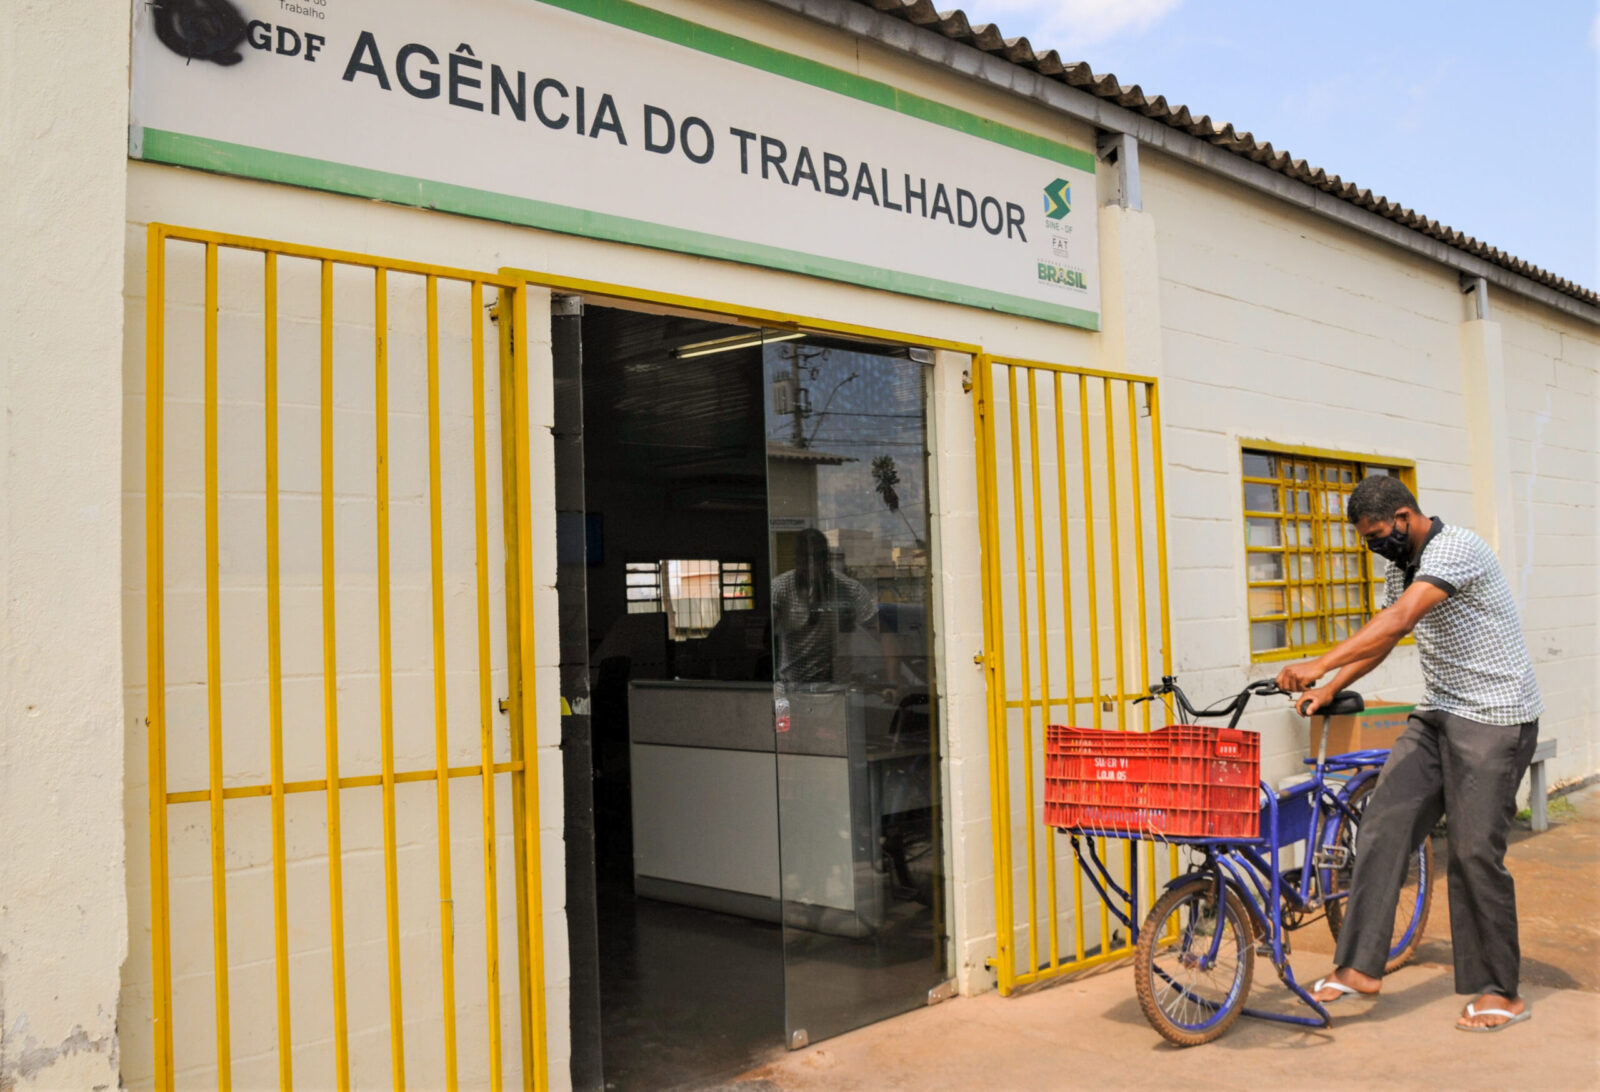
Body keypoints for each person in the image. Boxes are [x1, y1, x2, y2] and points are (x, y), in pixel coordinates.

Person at [1274, 475, 1542, 1032]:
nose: (1375, 546)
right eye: (1366, 540)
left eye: (1377, 535)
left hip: (1494, 717)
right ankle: (1359, 968)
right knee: (1382, 823)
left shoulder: (1456, 548)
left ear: (1404, 516)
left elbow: (1399, 620)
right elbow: (1384, 638)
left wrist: (1319, 665)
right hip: (1439, 711)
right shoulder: (1401, 568)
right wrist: (1330, 687)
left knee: (1472, 853)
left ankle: (1499, 990)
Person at [770, 527, 878, 686]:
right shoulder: (780, 588)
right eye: (805, 561)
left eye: (817, 560)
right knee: (784, 709)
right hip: (791, 684)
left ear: (826, 560)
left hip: (836, 684)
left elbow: (880, 631)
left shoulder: (848, 589)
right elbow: (766, 630)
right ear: (797, 560)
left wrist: (892, 680)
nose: (811, 569)